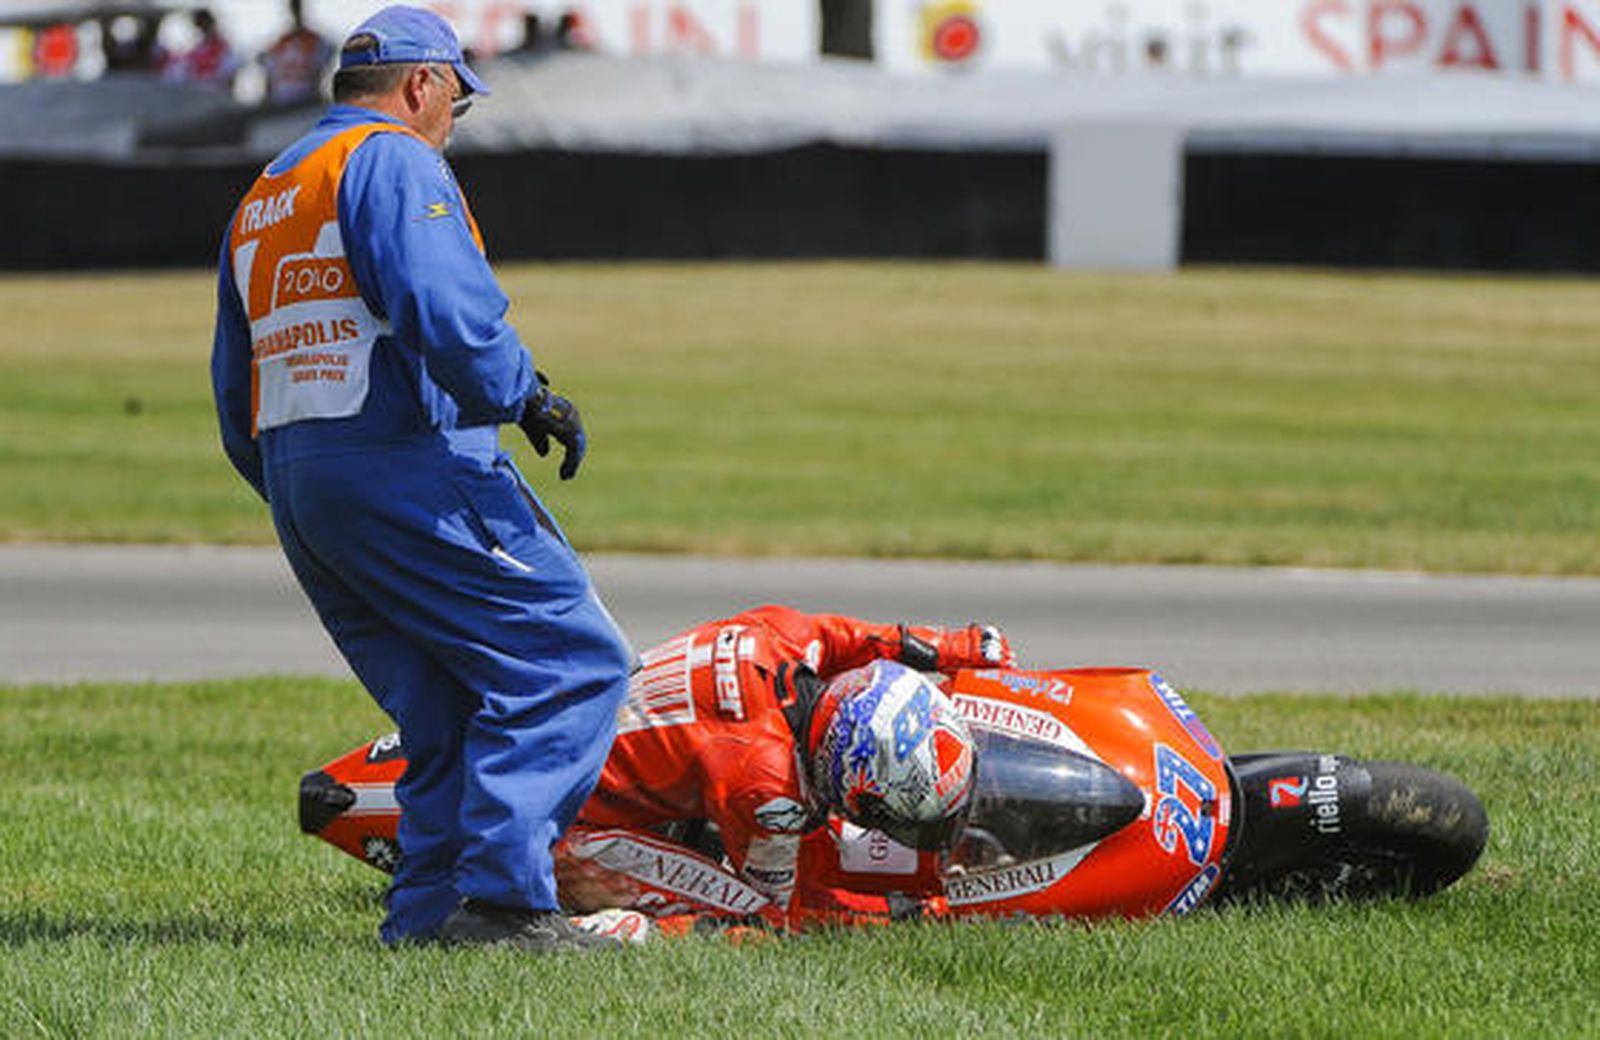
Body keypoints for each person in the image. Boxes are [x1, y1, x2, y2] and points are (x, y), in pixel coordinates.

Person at [210, 4, 633, 955]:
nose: (453, 124)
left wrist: (302, 483)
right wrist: (524, 397)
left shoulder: (268, 193)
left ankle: (430, 918)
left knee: (442, 699)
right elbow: (447, 308)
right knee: (571, 664)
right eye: (456, 103)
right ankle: (504, 902)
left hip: (303, 484)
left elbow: (234, 388)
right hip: (406, 462)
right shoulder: (395, 159)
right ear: (420, 87)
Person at [562, 605, 1012, 926]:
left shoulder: (778, 637)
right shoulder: (768, 790)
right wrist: (902, 913)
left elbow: (845, 637)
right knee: (754, 923)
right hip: (561, 829)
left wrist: (952, 647)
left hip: (564, 751)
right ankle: (609, 932)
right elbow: (791, 907)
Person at [259, 0, 335, 107]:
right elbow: (267, 73)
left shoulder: (315, 41)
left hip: (306, 103)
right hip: (281, 105)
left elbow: (322, 68)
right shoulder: (279, 44)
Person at [164, 8, 239, 90]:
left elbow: (229, 76)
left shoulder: (223, 49)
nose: (202, 29)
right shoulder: (193, 50)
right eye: (199, 25)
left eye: (205, 24)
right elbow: (178, 75)